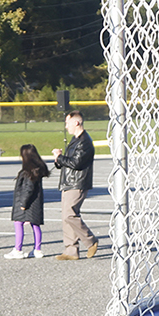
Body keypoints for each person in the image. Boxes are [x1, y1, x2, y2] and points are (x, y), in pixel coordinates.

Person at [52, 110, 98, 260]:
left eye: (67, 123)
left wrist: (60, 158)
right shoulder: (75, 140)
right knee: (66, 216)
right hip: (68, 183)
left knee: (70, 214)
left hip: (77, 183)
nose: (66, 126)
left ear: (76, 122)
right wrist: (58, 159)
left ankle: (90, 240)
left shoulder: (85, 142)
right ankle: (71, 250)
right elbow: (68, 162)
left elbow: (76, 163)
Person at [6, 143, 47, 260]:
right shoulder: (37, 170)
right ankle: (37, 249)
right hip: (35, 203)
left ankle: (18, 249)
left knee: (18, 223)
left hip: (26, 203)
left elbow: (28, 189)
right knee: (35, 224)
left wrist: (23, 204)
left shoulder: (28, 172)